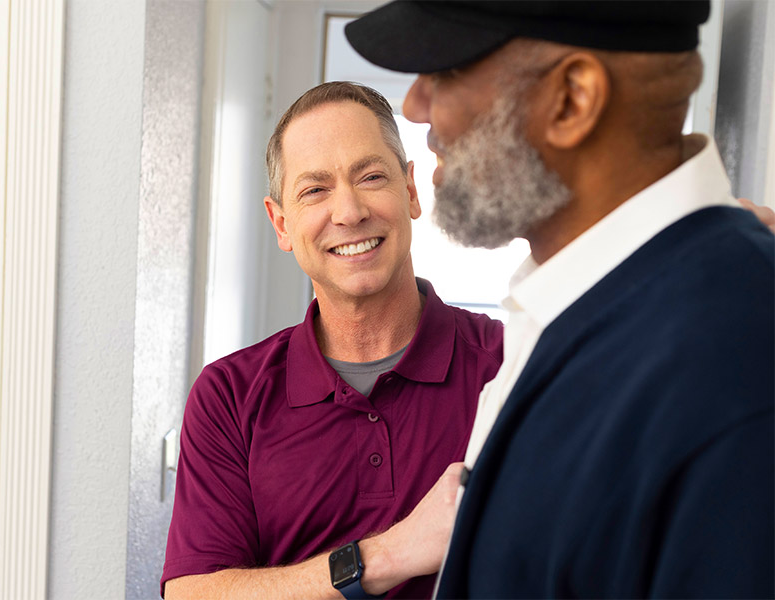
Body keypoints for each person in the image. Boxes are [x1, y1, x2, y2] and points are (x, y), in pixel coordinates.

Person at [345, 1, 775, 598]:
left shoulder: (733, 364)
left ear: (572, 100)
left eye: (444, 73)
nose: (415, 105)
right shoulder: (568, 303)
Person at [161, 81, 504, 599]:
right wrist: (390, 553)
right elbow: (195, 594)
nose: (349, 211)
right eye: (314, 190)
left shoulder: (510, 360)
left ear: (410, 192)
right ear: (282, 223)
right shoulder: (228, 396)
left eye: (370, 177)